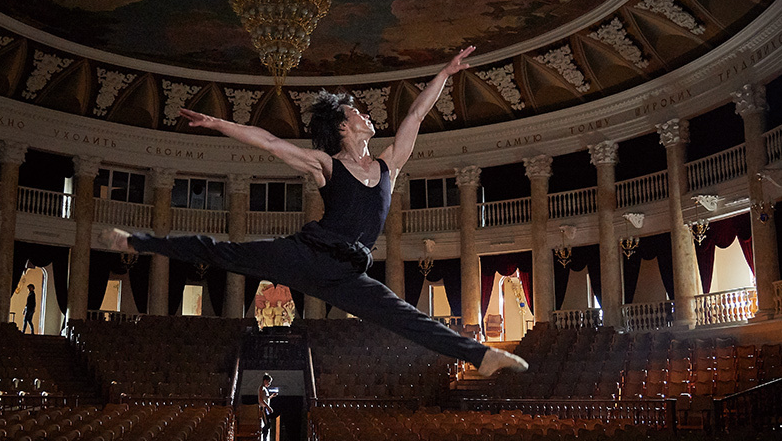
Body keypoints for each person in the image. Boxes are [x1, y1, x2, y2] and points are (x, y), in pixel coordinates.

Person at [100, 46, 527, 377]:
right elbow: (271, 143)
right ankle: (136, 241)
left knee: (404, 316)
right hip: (307, 255)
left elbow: (416, 114)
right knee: (222, 251)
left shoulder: (388, 165)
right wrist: (218, 124)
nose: (365, 114)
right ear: (343, 126)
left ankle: (481, 356)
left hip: (347, 274)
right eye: (356, 112)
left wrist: (445, 74)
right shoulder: (326, 165)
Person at [258, 373, 278, 441]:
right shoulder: (261, 388)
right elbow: (261, 399)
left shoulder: (265, 389)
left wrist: (272, 396)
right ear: (265, 381)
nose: (269, 384)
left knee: (268, 424)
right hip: (264, 408)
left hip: (266, 408)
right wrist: (268, 407)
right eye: (268, 382)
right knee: (267, 424)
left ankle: (264, 440)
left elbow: (266, 399)